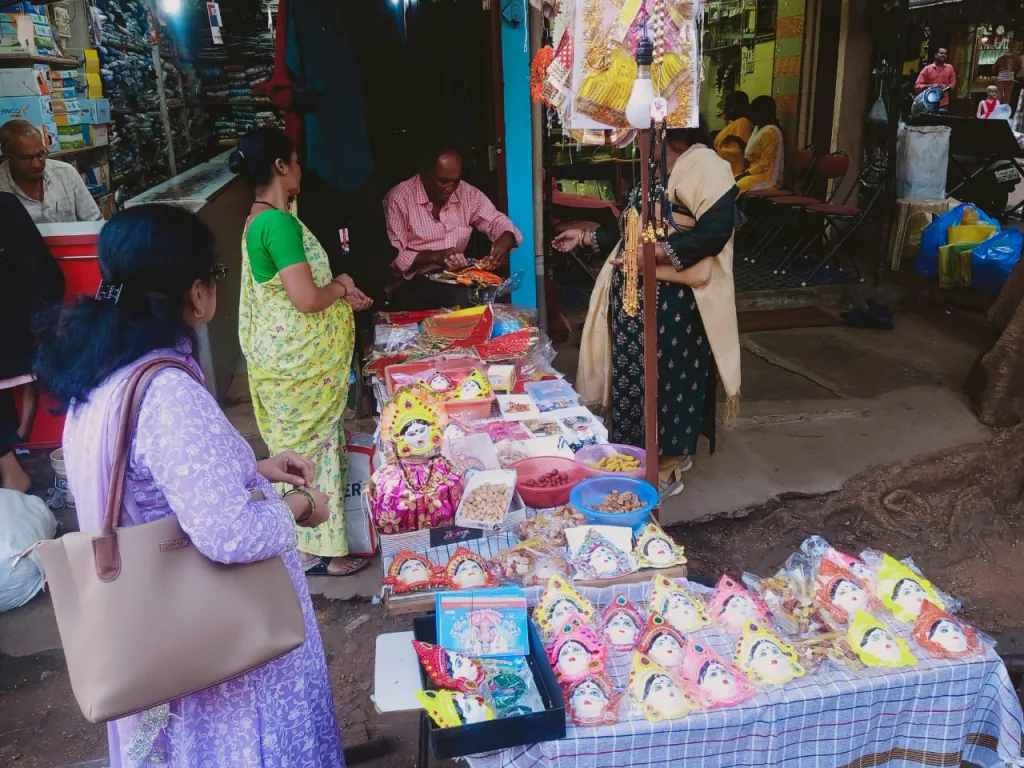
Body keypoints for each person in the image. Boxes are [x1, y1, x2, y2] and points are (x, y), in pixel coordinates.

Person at [33, 203, 346, 766]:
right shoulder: (167, 392)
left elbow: (151, 481)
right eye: (214, 277)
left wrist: (253, 469)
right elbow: (228, 535)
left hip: (148, 619)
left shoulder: (102, 371)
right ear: (196, 294)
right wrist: (300, 505)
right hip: (213, 646)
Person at [555, 125, 741, 489]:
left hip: (674, 308)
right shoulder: (655, 171)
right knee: (634, 385)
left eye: (641, 133)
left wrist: (656, 254)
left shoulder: (704, 164)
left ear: (665, 132)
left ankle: (666, 468)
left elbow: (716, 230)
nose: (635, 142)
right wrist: (585, 237)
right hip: (633, 307)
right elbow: (633, 228)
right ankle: (636, 460)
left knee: (668, 386)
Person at [230, 128, 373, 577]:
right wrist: (343, 285)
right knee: (315, 449)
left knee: (295, 448)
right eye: (294, 159)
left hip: (284, 362)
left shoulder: (260, 219)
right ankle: (325, 550)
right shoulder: (278, 223)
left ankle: (302, 543)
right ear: (279, 166)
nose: (300, 169)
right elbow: (306, 299)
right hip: (299, 365)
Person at [383, 142, 523, 310]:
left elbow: (496, 221)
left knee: (492, 291)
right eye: (443, 181)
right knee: (464, 298)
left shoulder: (466, 193)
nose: (450, 188)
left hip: (454, 276)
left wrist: (506, 236)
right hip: (411, 281)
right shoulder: (399, 199)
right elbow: (393, 259)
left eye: (455, 181)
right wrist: (436, 256)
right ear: (424, 174)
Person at [0, 192, 64, 491]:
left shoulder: (5, 207)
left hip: (15, 326)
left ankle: (13, 466)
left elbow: (46, 278)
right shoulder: (7, 205)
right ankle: (13, 458)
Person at [0, 119, 102, 224]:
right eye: (26, 157)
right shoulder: (2, 185)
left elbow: (94, 221)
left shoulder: (66, 173)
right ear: (7, 154)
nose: (36, 164)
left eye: (40, 154)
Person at [735, 95, 784, 195]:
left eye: (754, 111)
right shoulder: (759, 129)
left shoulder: (770, 132)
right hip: (755, 172)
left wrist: (746, 173)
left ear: (763, 112)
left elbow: (765, 164)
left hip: (766, 176)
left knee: (737, 186)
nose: (751, 114)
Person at [714, 91, 753, 177]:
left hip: (736, 171)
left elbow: (737, 154)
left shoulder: (742, 123)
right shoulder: (737, 123)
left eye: (726, 106)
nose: (725, 110)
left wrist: (714, 153)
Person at [915, 47, 956, 111]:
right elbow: (917, 86)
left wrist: (944, 89)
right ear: (936, 55)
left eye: (945, 53)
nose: (943, 55)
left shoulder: (950, 68)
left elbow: (952, 84)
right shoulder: (927, 69)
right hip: (929, 102)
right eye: (941, 53)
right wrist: (931, 86)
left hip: (943, 103)